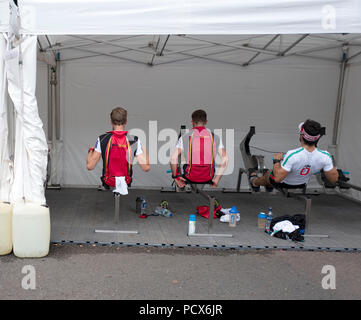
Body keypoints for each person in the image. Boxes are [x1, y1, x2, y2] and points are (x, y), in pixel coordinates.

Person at [249, 119, 339, 191]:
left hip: (284, 184)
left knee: (270, 174)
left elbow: (277, 179)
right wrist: (323, 165)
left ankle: (255, 182)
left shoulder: (292, 154)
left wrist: (276, 160)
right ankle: (267, 184)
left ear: (301, 136)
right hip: (302, 184)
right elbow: (334, 179)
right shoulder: (326, 156)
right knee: (275, 173)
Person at [86, 107, 150, 191]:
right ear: (126, 122)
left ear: (111, 122)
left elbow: (90, 166)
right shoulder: (134, 140)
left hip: (108, 180)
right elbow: (146, 168)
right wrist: (143, 148)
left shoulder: (102, 139)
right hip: (126, 180)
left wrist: (90, 151)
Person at [170, 109, 229, 189]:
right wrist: (217, 179)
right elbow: (225, 159)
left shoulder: (185, 137)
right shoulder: (215, 137)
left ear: (192, 122)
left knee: (181, 158)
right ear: (206, 122)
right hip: (208, 177)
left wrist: (175, 177)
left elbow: (173, 159)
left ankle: (179, 180)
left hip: (189, 177)